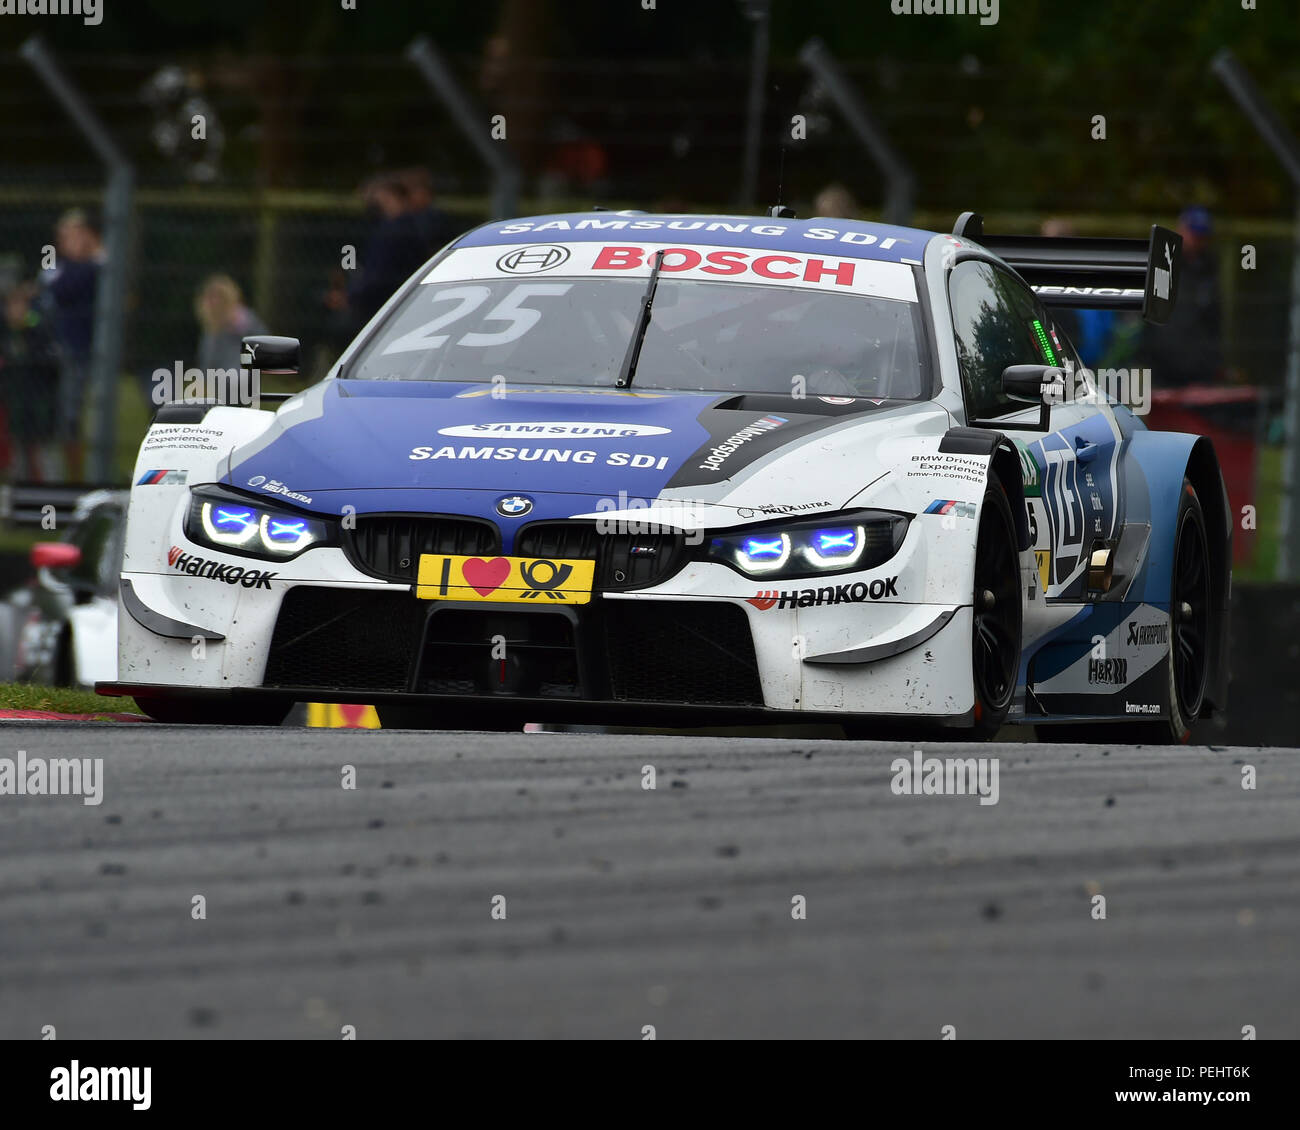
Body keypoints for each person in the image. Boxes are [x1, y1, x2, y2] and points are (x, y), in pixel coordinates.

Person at [40, 208, 103, 479]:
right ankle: (62, 478)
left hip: (85, 352)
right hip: (54, 353)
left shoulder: (100, 263)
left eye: (74, 235)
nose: (65, 241)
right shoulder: (54, 263)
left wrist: (90, 260)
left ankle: (86, 476)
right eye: (62, 235)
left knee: (81, 416)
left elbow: (70, 287)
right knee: (59, 417)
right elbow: (55, 289)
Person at [1142, 205, 1222, 387]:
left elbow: (1215, 321)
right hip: (1161, 369)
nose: (1197, 240)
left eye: (1202, 235)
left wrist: (1213, 363)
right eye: (1193, 232)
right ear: (1181, 229)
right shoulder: (1161, 264)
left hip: (1199, 372)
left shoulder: (1209, 272)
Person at [346, 174, 430, 330]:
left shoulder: (398, 230)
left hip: (383, 305)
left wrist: (352, 294)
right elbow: (352, 258)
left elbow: (380, 274)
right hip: (378, 302)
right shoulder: (381, 228)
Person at [0, 281, 61, 483]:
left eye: (20, 305)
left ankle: (52, 495)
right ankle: (20, 495)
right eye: (11, 306)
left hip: (39, 407)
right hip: (16, 407)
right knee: (18, 456)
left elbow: (51, 365)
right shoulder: (7, 334)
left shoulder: (39, 330)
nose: (14, 311)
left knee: (43, 454)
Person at [194, 274, 266, 374]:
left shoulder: (243, 319)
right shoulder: (211, 328)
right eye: (212, 297)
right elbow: (207, 361)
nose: (215, 302)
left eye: (219, 296)